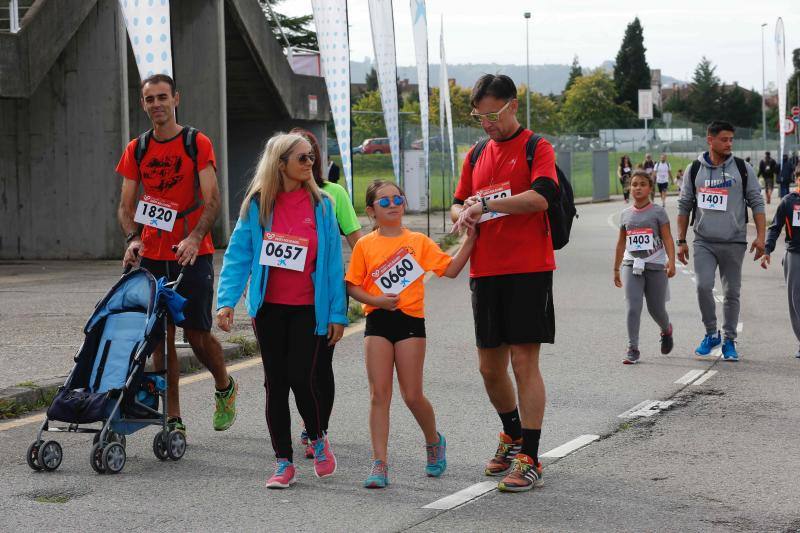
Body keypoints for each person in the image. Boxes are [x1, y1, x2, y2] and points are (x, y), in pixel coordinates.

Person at [215, 133, 348, 489]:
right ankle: (283, 462)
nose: (310, 164)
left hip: (309, 309)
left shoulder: (323, 206)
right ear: (281, 163)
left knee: (301, 378)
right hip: (269, 310)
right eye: (302, 159)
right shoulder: (258, 204)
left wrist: (338, 314)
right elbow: (238, 255)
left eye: (311, 158)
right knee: (275, 383)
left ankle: (318, 439)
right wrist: (225, 301)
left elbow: (334, 264)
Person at [450, 74, 558, 493]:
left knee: (523, 362)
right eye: (480, 117)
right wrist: (463, 212)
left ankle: (530, 456)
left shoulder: (537, 146)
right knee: (489, 367)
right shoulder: (476, 153)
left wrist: (488, 203)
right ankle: (511, 434)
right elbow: (459, 200)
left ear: (514, 105)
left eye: (493, 115)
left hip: (528, 268)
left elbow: (541, 196)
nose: (487, 124)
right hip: (485, 269)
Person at [116, 74, 237, 435]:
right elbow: (125, 207)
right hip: (153, 253)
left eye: (162, 97)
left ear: (175, 99)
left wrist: (195, 237)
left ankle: (224, 385)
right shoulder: (136, 149)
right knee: (159, 339)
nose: (156, 104)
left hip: (191, 252)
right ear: (143, 104)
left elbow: (212, 199)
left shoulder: (195, 142)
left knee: (197, 336)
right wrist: (133, 239)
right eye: (150, 98)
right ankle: (173, 418)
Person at [346, 179, 476, 489]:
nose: (392, 205)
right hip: (378, 321)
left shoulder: (418, 241)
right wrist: (376, 300)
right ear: (371, 211)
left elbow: (452, 269)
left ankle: (433, 441)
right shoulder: (365, 244)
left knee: (412, 395)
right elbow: (352, 285)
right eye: (384, 201)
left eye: (397, 199)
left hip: (410, 323)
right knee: (379, 394)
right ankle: (380, 463)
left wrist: (470, 239)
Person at [289, 127, 363, 458]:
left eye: (308, 154)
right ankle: (310, 424)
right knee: (293, 370)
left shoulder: (333, 194)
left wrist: (371, 286)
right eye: (297, 154)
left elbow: (358, 243)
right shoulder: (275, 195)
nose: (305, 159)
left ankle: (317, 430)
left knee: (319, 367)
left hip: (327, 293)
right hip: (286, 299)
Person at [676, 120, 766, 361]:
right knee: (703, 285)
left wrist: (761, 237)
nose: (729, 144)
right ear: (710, 139)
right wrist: (681, 240)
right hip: (704, 241)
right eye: (724, 139)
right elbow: (684, 206)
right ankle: (710, 333)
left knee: (732, 293)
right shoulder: (694, 169)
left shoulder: (742, 168)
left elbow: (757, 202)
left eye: (731, 139)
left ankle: (729, 341)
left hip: (734, 241)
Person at [613, 170, 676, 364]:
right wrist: (616, 268)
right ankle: (633, 348)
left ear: (650, 188)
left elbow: (667, 237)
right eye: (634, 184)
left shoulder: (658, 212)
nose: (637, 188)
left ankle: (666, 330)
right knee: (633, 306)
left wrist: (671, 261)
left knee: (656, 309)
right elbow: (621, 243)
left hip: (656, 264)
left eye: (642, 184)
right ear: (629, 188)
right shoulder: (625, 215)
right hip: (632, 264)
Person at [761, 169, 800, 358]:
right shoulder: (788, 202)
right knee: (796, 301)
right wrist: (767, 250)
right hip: (795, 255)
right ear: (797, 179)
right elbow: (775, 227)